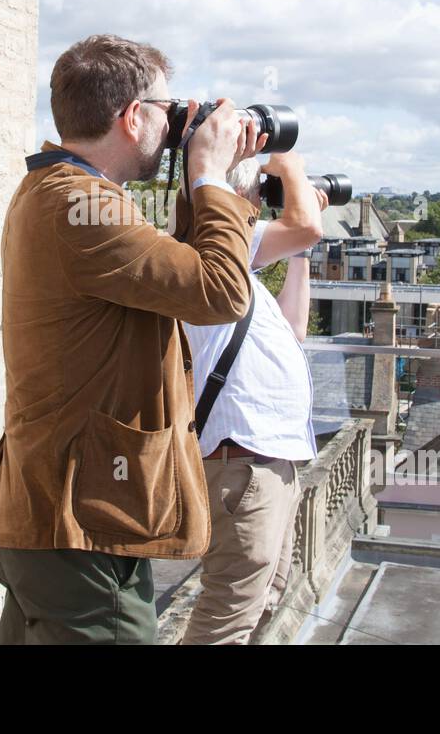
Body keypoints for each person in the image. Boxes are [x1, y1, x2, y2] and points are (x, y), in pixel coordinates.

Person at [0, 33, 266, 644]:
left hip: (68, 520)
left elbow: (171, 274)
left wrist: (214, 187)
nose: (175, 125)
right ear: (133, 117)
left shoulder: (67, 194)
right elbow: (220, 292)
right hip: (79, 527)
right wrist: (210, 174)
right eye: (166, 110)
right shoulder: (78, 204)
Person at [179, 151, 327, 644]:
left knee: (266, 597)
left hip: (271, 463)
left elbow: (295, 329)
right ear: (237, 196)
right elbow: (306, 227)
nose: (265, 208)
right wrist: (290, 166)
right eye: (261, 197)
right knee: (228, 615)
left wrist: (299, 255)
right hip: (243, 466)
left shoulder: (243, 268)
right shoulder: (213, 244)